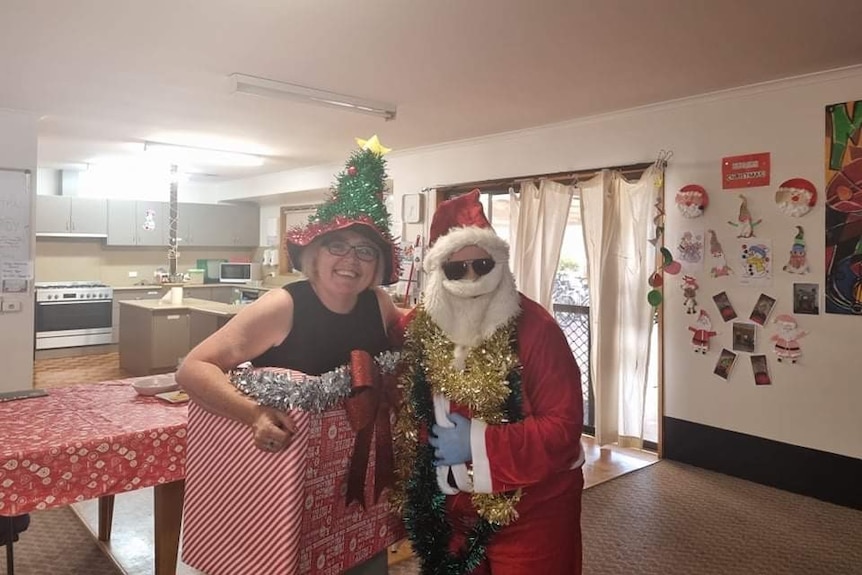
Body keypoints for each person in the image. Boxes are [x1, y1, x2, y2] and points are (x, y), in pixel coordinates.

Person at [176, 139, 403, 575]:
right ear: (314, 253)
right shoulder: (283, 305)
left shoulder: (379, 304)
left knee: (362, 562)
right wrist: (254, 414)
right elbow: (193, 368)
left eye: (365, 251)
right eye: (339, 245)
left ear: (377, 265)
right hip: (288, 480)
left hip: (361, 477)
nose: (350, 260)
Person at [390, 190, 585, 574]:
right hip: (448, 505)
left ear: (500, 263)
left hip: (533, 506)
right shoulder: (415, 328)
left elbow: (563, 428)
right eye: (456, 269)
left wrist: (476, 441)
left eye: (482, 264)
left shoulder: (538, 329)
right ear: (437, 272)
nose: (472, 278)